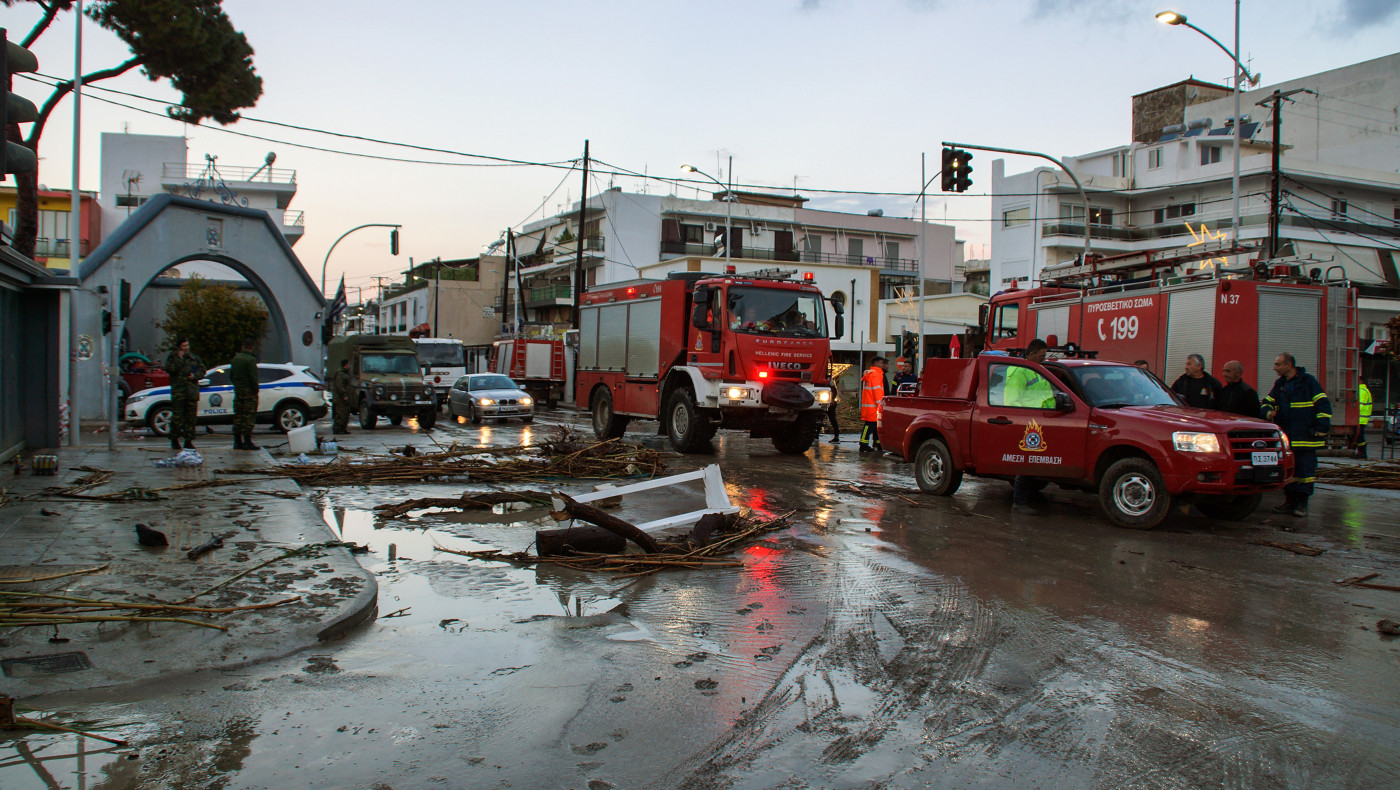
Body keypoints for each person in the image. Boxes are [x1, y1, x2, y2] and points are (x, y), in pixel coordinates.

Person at [1261, 352, 1331, 517]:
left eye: (1278, 364)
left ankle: (1302, 503)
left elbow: (1322, 404)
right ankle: (1289, 501)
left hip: (1305, 436)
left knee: (1305, 471)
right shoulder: (1281, 384)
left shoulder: (1308, 382)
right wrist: (1267, 412)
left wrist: (1322, 426)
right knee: (1289, 471)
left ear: (1289, 365)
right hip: (1288, 436)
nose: (1275, 368)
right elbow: (1267, 401)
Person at [1008, 339, 1053, 514]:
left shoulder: (1038, 370)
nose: (1044, 359)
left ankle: (1022, 500)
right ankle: (1019, 504)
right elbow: (1012, 401)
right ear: (1031, 354)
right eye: (1041, 355)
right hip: (1029, 424)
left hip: (1043, 422)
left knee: (1032, 463)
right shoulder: (1020, 372)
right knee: (1026, 463)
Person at [164, 337, 204, 450]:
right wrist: (179, 359)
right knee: (177, 418)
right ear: (179, 347)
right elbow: (170, 369)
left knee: (190, 418)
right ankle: (174, 439)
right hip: (179, 393)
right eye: (184, 346)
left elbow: (202, 370)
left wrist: (195, 376)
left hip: (191, 393)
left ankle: (188, 440)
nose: (186, 348)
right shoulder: (173, 357)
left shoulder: (194, 358)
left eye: (187, 345)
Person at [230, 337, 260, 450]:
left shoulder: (235, 359)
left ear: (243, 346)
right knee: (248, 417)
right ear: (252, 347)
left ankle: (237, 441)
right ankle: (247, 441)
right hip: (249, 393)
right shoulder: (250, 360)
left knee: (238, 416)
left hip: (238, 391)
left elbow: (232, 376)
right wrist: (255, 390)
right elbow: (253, 378)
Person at [859, 356, 888, 454]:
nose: (882, 365)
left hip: (869, 405)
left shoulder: (870, 374)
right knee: (870, 425)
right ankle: (864, 445)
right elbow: (877, 391)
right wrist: (881, 405)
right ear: (875, 363)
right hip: (873, 406)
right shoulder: (876, 375)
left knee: (874, 426)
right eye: (881, 363)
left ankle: (877, 443)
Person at [332, 357, 354, 435]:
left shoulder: (345, 373)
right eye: (348, 364)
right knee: (340, 413)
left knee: (345, 413)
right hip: (340, 398)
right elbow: (339, 386)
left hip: (344, 398)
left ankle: (343, 429)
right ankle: (337, 429)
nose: (349, 365)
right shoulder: (340, 373)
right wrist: (344, 394)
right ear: (346, 364)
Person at [1355, 381, 1373, 459]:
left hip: (1360, 419)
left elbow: (1360, 406)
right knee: (1358, 436)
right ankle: (1361, 452)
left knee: (1359, 436)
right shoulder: (1364, 390)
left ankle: (1362, 453)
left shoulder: (1361, 391)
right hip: (1362, 419)